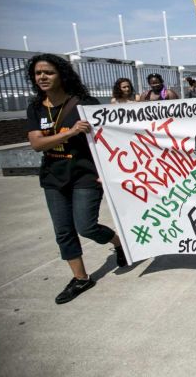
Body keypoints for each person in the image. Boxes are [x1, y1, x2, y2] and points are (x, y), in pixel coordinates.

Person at [25, 54, 127, 304]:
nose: (42, 77)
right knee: (63, 231)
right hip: (52, 177)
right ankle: (81, 278)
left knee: (86, 226)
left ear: (61, 74)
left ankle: (118, 243)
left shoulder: (85, 103)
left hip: (84, 175)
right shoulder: (36, 107)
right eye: (38, 73)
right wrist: (70, 133)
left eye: (48, 72)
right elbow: (36, 143)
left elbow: (108, 139)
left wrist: (109, 171)